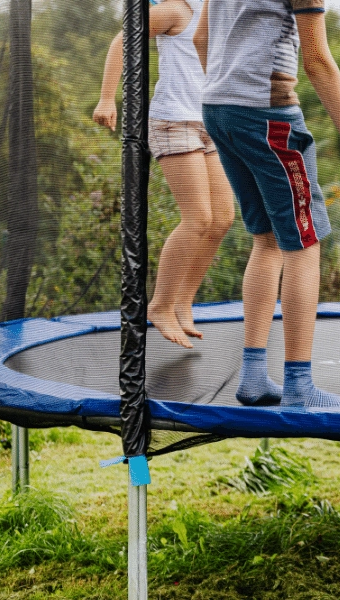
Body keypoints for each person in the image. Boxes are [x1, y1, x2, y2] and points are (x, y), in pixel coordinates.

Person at [194, 0, 340, 407]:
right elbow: (317, 60)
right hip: (267, 115)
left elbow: (200, 38)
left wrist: (229, 83)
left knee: (265, 239)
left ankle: (252, 377)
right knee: (304, 241)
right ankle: (299, 384)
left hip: (218, 107)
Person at [93, 0, 235, 350]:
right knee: (198, 218)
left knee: (223, 219)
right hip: (174, 121)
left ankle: (184, 300)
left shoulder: (217, 11)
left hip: (209, 121)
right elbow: (122, 42)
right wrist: (107, 100)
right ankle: (159, 305)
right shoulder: (174, 11)